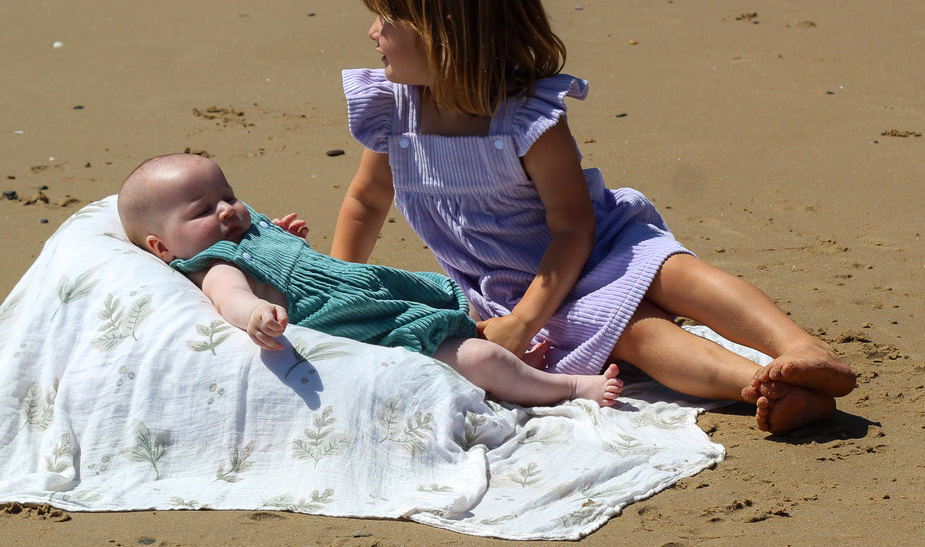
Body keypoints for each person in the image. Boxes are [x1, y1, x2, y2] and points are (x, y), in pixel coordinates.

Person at [331, 0, 856, 435]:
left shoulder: (528, 117)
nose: (373, 31)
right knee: (635, 335)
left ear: (447, 28)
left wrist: (525, 325)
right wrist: (337, 288)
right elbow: (366, 200)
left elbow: (572, 226)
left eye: (389, 17)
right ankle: (768, 388)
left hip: (595, 246)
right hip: (514, 284)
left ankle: (804, 350)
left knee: (678, 275)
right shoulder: (394, 111)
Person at [117, 153, 623, 408]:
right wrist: (256, 316)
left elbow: (287, 259)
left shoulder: (249, 229)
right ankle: (568, 387)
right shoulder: (218, 264)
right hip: (362, 324)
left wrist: (285, 239)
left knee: (461, 311)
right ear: (162, 249)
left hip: (370, 288)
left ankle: (515, 364)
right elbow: (230, 297)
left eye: (228, 194)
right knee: (477, 357)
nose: (228, 210)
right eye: (204, 209)